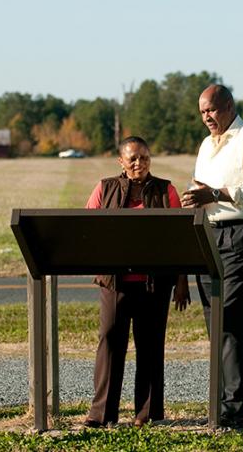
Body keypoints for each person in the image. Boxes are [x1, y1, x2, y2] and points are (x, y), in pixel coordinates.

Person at [181, 84, 243, 428]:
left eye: (212, 110)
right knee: (214, 322)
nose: (207, 117)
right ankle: (221, 405)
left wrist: (218, 193)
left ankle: (234, 412)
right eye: (202, 112)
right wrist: (196, 197)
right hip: (210, 234)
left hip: (241, 234)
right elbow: (204, 189)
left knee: (231, 321)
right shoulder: (207, 145)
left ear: (229, 105)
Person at [84, 136, 190, 428]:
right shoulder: (104, 188)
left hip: (154, 284)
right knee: (109, 342)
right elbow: (87, 228)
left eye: (144, 157)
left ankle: (147, 414)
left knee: (151, 346)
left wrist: (182, 281)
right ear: (121, 161)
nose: (139, 163)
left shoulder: (166, 189)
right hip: (115, 282)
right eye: (132, 158)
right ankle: (102, 413)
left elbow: (180, 238)